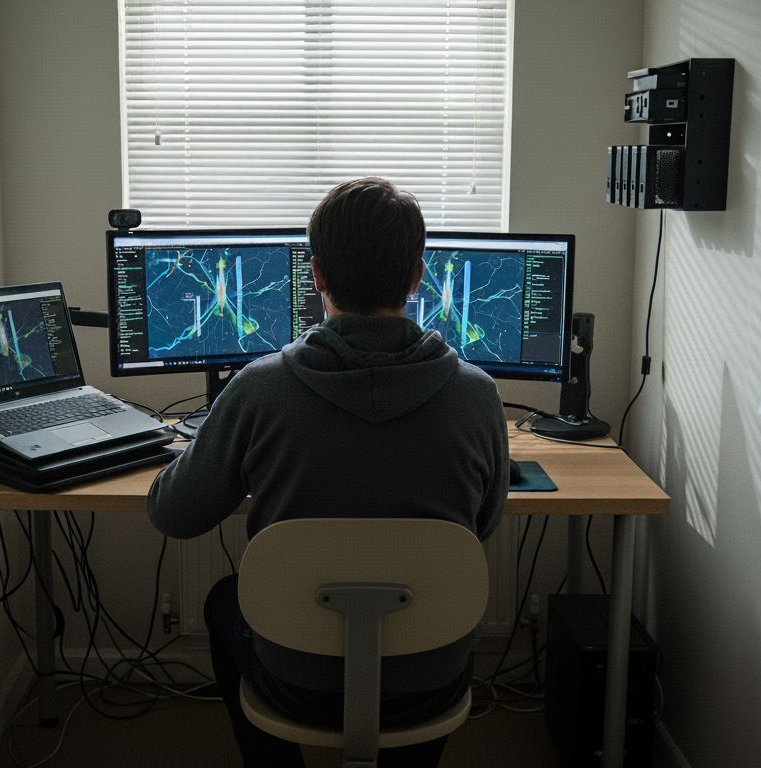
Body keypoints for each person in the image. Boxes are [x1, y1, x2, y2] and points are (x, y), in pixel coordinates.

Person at [147, 177, 510, 767]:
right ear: (418, 276)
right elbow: (483, 524)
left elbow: (173, 514)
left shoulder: (260, 388)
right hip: (430, 681)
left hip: (295, 680)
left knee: (222, 601)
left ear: (315, 274)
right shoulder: (478, 396)